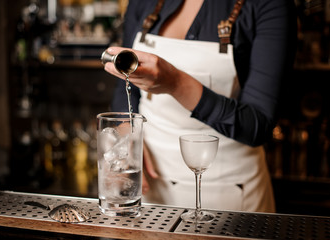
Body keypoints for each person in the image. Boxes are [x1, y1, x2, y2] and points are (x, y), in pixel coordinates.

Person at [103, 0, 297, 213]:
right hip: (150, 190)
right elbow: (124, 86)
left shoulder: (269, 5)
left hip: (228, 195)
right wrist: (128, 138)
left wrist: (175, 84)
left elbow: (257, 126)